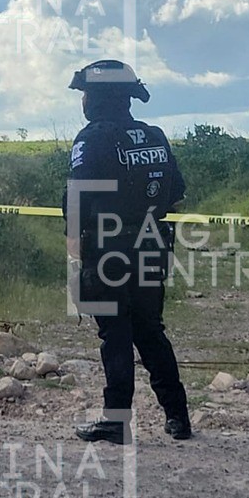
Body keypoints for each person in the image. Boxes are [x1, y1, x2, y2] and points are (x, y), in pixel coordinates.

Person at [63, 60, 191, 444]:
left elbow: (76, 199)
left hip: (109, 248)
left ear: (99, 97)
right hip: (152, 244)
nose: (82, 100)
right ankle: (178, 416)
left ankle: (116, 420)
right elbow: (176, 191)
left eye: (85, 93)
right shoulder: (155, 136)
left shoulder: (92, 138)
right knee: (150, 331)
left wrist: (75, 240)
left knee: (115, 333)